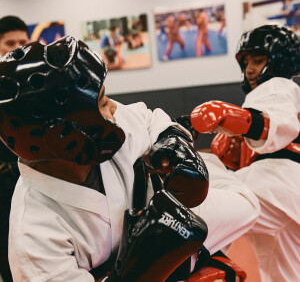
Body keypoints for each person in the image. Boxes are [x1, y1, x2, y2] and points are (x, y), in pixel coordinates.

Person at [0, 36, 259, 281]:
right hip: (153, 239)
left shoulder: (99, 129)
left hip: (173, 211)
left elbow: (145, 118)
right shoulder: (34, 235)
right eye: (102, 101)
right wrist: (139, 272)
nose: (113, 107)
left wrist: (174, 143)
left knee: (247, 204)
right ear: (65, 136)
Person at [191, 24, 300, 282]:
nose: (250, 69)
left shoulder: (278, 86)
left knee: (205, 182)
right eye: (247, 61)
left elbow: (272, 122)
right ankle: (209, 255)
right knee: (285, 272)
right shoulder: (289, 94)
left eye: (259, 60)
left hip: (277, 184)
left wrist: (234, 118)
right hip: (286, 198)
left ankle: (199, 258)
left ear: (279, 61)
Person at [0, 15, 29, 282]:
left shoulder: (36, 81)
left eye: (23, 41)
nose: (17, 47)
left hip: (32, 178)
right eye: (10, 42)